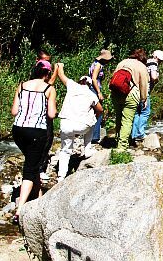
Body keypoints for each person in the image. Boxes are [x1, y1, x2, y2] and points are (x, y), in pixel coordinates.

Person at [11, 60, 57, 224]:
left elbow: (14, 111)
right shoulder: (49, 89)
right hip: (37, 131)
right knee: (30, 167)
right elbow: (51, 114)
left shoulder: (22, 85)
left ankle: (38, 198)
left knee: (33, 162)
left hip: (18, 130)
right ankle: (20, 209)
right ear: (47, 74)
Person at [56, 63, 103, 182]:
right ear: (89, 85)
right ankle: (87, 149)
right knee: (92, 120)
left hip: (66, 124)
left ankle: (61, 176)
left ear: (79, 81)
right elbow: (100, 110)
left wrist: (60, 66)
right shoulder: (91, 94)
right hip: (82, 127)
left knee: (65, 150)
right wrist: (95, 117)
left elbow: (61, 75)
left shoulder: (72, 86)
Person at [110, 48, 149, 150]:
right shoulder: (141, 66)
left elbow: (114, 78)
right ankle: (122, 147)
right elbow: (144, 84)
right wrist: (144, 99)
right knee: (127, 121)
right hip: (131, 94)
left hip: (116, 93)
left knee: (118, 118)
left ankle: (117, 140)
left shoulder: (122, 62)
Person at [131, 50, 163, 142]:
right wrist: (157, 79)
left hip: (136, 90)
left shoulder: (144, 62)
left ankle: (134, 134)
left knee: (137, 113)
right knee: (145, 112)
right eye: (160, 60)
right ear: (156, 58)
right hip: (144, 91)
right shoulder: (153, 63)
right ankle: (140, 134)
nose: (161, 62)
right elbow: (154, 77)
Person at [36, 50, 58, 181]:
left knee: (46, 139)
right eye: (45, 61)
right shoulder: (40, 71)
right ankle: (40, 169)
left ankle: (37, 167)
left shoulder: (37, 70)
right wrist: (56, 70)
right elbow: (49, 85)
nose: (47, 64)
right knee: (46, 139)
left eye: (48, 61)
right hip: (42, 113)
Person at [88, 49, 114, 144]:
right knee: (99, 111)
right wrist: (99, 92)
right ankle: (94, 136)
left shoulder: (94, 63)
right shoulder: (98, 65)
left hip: (93, 88)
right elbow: (94, 79)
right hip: (95, 89)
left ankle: (91, 135)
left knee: (94, 111)